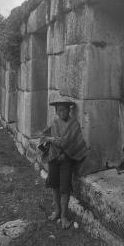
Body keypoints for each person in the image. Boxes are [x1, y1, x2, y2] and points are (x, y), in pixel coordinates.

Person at [39, 97, 88, 229]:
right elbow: (44, 137)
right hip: (53, 159)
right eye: (59, 110)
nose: (62, 112)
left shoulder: (74, 124)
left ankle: (64, 216)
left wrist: (54, 142)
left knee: (64, 188)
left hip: (66, 161)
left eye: (64, 110)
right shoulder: (54, 123)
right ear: (56, 111)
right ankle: (57, 211)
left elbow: (70, 142)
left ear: (69, 110)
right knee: (54, 185)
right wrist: (49, 140)